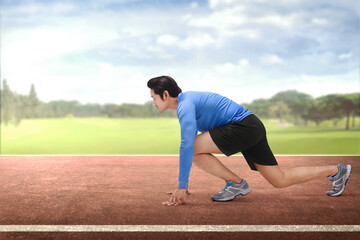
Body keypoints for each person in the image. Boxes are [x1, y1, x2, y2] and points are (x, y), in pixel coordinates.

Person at [147, 76, 352, 207]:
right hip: (251, 126)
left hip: (243, 127)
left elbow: (187, 145)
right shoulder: (188, 102)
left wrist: (182, 185)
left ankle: (236, 184)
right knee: (280, 179)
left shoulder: (185, 105)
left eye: (154, 98)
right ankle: (336, 171)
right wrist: (185, 183)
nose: (153, 103)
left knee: (191, 148)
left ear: (165, 94)